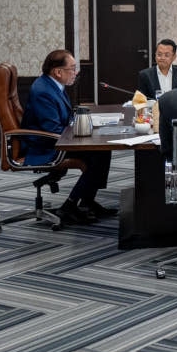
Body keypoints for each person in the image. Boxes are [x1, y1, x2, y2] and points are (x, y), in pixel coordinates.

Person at [21, 50, 114, 225]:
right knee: (97, 153)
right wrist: (84, 131)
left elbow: (64, 118)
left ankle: (87, 202)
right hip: (45, 146)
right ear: (58, 71)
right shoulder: (44, 91)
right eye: (72, 68)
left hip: (56, 139)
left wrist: (85, 124)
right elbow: (52, 129)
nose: (76, 72)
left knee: (103, 149)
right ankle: (69, 206)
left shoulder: (54, 85)